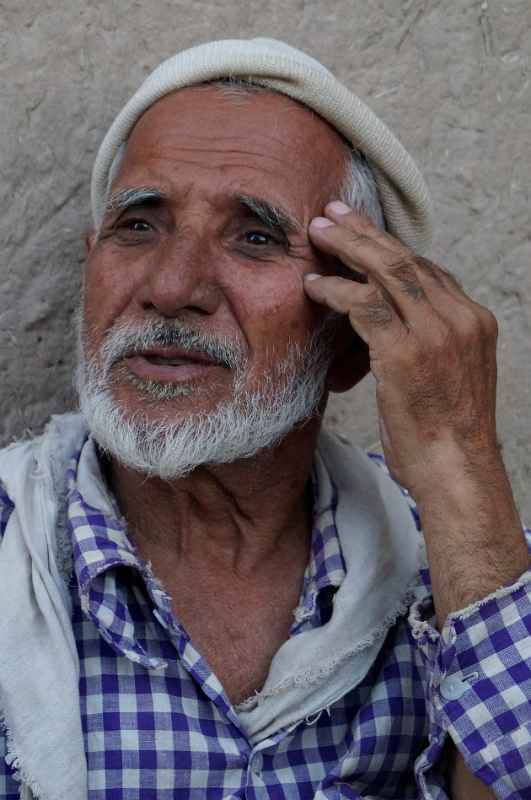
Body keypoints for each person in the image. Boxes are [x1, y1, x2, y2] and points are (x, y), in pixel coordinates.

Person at [0, 38, 529, 800]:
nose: (172, 286)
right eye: (139, 225)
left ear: (352, 334)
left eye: (254, 236)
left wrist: (459, 466)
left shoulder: (468, 584)